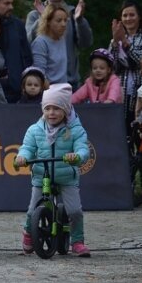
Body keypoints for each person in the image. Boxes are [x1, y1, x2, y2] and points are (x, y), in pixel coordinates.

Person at [15, 83, 90, 257]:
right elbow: (27, 147)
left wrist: (77, 156)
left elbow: (83, 149)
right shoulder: (35, 130)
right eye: (47, 108)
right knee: (32, 209)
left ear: (66, 109)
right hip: (42, 176)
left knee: (75, 211)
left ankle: (77, 241)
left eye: (56, 109)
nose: (51, 113)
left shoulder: (75, 130)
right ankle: (29, 233)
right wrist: (22, 157)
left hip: (67, 176)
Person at [26, 0, 93, 89]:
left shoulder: (73, 14)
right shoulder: (34, 15)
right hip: (42, 84)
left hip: (70, 83)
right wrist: (43, 17)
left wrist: (80, 20)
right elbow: (27, 42)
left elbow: (86, 43)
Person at [109, 0, 142, 131]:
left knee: (139, 130)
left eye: (132, 15)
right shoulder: (115, 39)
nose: (128, 18)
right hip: (120, 94)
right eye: (124, 15)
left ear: (139, 16)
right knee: (120, 132)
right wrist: (114, 44)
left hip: (141, 93)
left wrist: (125, 43)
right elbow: (111, 67)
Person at [0, 0, 33, 102]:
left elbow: (27, 57)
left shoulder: (18, 26)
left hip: (18, 92)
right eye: (6, 3)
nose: (11, 7)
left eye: (11, 3)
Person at [31, 3, 69, 85]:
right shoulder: (40, 42)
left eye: (65, 20)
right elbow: (39, 74)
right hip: (49, 91)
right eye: (59, 20)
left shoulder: (61, 39)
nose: (63, 24)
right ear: (48, 21)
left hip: (64, 88)